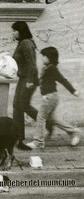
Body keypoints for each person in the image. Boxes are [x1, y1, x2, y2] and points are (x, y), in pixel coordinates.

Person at [26, 47, 81, 149]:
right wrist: (32, 83)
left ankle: (38, 141)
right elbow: (42, 81)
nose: (42, 58)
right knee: (54, 119)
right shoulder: (46, 68)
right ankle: (74, 132)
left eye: (44, 56)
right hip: (51, 97)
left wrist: (73, 91)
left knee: (40, 117)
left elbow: (62, 80)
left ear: (50, 57)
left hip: (50, 97)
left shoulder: (52, 68)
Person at [11, 21, 52, 150]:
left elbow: (32, 64)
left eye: (15, 30)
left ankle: (19, 137)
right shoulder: (23, 43)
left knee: (19, 106)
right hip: (24, 78)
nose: (13, 33)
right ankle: (46, 123)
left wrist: (29, 80)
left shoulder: (25, 43)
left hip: (27, 79)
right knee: (21, 105)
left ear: (21, 31)